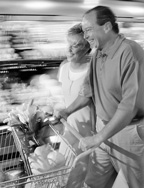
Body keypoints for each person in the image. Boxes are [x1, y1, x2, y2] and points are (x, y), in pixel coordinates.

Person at [54, 6, 144, 188]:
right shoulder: (97, 54)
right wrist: (67, 111)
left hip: (128, 133)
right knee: (93, 182)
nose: (85, 36)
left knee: (133, 183)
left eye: (88, 29)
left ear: (107, 27)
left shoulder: (130, 52)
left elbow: (129, 106)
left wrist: (97, 138)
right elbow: (88, 93)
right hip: (103, 130)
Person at [54, 23, 96, 187]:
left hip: (87, 136)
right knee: (63, 176)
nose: (69, 49)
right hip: (69, 131)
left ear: (87, 48)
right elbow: (66, 97)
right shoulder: (63, 68)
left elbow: (86, 98)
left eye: (75, 45)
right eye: (68, 43)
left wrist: (66, 111)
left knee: (80, 178)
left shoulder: (92, 70)